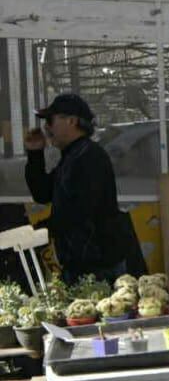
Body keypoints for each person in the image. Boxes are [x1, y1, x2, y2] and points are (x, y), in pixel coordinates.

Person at [23, 93, 134, 281]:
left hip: (98, 265)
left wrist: (42, 229)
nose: (46, 127)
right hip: (80, 263)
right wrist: (35, 154)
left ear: (72, 121)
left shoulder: (89, 157)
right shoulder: (72, 156)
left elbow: (79, 211)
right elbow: (43, 194)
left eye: (50, 120)